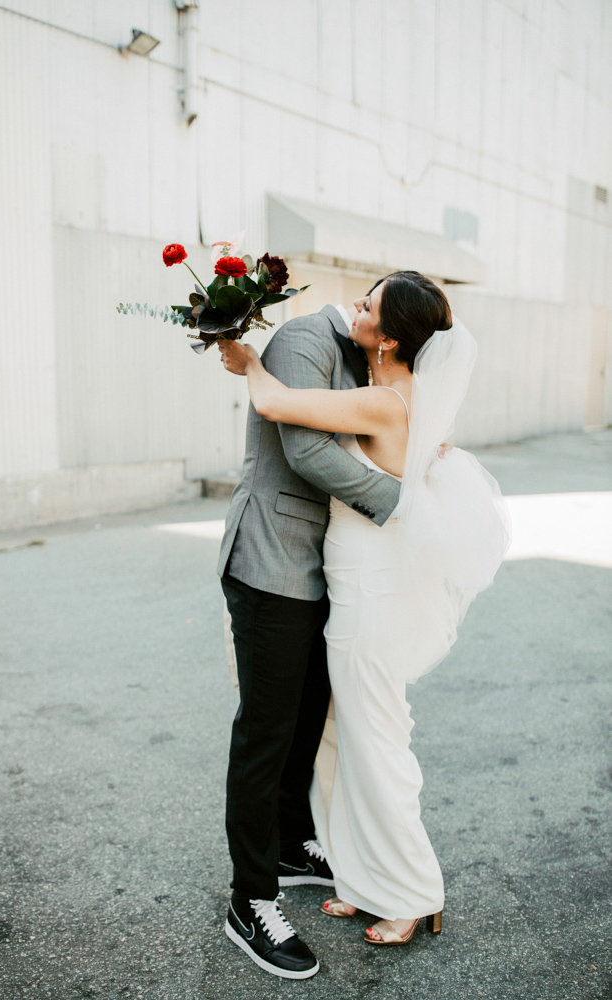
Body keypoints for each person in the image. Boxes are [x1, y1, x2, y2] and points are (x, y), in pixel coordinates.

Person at [220, 271, 508, 954]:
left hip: (366, 600)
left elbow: (277, 404)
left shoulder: (383, 401)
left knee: (374, 744)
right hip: (355, 585)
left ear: (390, 337)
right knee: (345, 741)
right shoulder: (405, 398)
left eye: (368, 307)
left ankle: (411, 895)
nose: (355, 308)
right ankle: (370, 878)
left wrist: (246, 360)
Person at [217, 292, 407, 979]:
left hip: (321, 563)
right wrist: (402, 500)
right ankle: (249, 900)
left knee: (305, 719)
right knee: (266, 729)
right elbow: (306, 452)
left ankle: (292, 846)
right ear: (369, 316)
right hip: (272, 559)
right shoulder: (304, 339)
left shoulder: (355, 357)